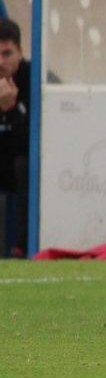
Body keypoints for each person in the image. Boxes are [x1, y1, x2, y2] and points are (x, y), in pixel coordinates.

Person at [0, 18, 29, 258]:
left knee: (24, 165)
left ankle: (22, 245)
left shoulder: (36, 81)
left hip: (20, 170)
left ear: (20, 51)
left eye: (7, 53)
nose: (1, 62)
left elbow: (39, 145)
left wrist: (11, 111)